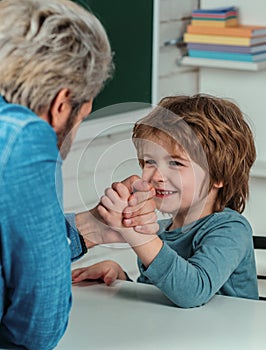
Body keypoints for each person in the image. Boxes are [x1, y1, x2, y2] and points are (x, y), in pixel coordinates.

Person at [0, 1, 157, 349]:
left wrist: (93, 228)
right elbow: (37, 329)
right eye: (83, 115)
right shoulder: (24, 136)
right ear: (61, 104)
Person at [72, 93, 259, 308]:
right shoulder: (160, 232)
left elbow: (192, 292)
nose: (157, 176)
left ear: (218, 176)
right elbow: (165, 300)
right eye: (150, 161)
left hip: (230, 339)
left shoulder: (231, 229)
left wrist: (135, 234)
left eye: (176, 163)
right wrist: (122, 280)